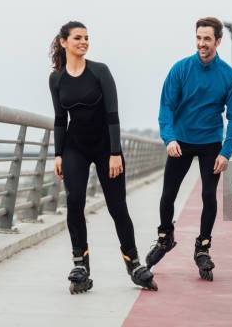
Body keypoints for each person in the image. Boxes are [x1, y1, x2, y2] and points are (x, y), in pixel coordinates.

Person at [49, 21, 157, 294]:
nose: (83, 42)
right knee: (74, 201)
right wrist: (58, 154)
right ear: (64, 42)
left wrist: (114, 152)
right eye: (77, 38)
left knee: (117, 206)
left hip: (105, 146)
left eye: (86, 38)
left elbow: (112, 115)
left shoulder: (100, 71)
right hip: (75, 146)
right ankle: (80, 264)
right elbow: (60, 119)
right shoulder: (56, 79)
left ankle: (133, 262)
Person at [146, 17, 232, 281]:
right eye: (198, 38)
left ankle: (203, 247)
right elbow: (166, 106)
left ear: (218, 41)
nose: (202, 43)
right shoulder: (180, 69)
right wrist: (170, 138)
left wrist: (226, 152)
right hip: (181, 141)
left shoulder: (229, 77)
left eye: (207, 39)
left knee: (209, 196)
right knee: (168, 195)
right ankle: (165, 236)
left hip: (211, 143)